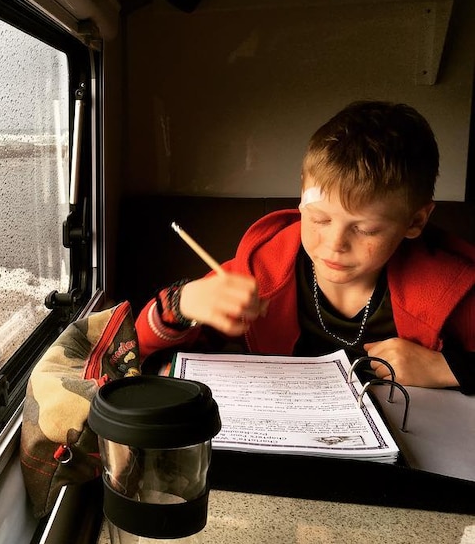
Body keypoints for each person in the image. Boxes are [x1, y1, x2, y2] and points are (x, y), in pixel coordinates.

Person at [135, 101, 475, 394]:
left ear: (415, 222)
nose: (334, 244)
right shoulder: (263, 269)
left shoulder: (449, 289)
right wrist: (183, 304)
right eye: (320, 219)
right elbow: (136, 352)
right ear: (300, 199)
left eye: (366, 229)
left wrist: (444, 369)